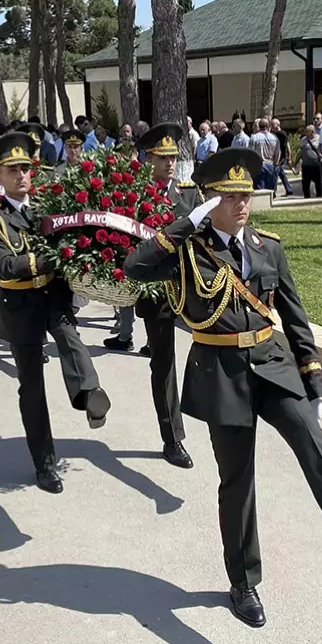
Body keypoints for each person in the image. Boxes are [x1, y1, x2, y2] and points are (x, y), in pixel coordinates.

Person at [124, 147, 322, 628]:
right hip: (221, 373)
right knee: (238, 482)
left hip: (271, 363)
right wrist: (187, 223)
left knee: (313, 440)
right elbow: (136, 267)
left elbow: (293, 313)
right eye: (229, 196)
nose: (241, 203)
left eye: (246, 194)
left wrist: (311, 371)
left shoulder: (267, 246)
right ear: (209, 199)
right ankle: (243, 582)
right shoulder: (187, 248)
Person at [0, 132, 111, 493]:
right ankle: (45, 464)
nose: (22, 175)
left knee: (71, 340)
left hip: (52, 295)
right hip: (20, 306)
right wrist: (48, 258)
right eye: (13, 170)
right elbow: (4, 266)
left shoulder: (47, 208)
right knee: (32, 387)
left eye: (26, 168)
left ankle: (89, 395)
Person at [104, 123, 199, 469]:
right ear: (148, 159)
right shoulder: (137, 196)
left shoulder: (189, 193)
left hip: (193, 290)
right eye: (163, 157)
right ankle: (172, 437)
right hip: (156, 293)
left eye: (173, 156)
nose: (170, 163)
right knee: (164, 364)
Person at [249, 119, 280, 191]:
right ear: (268, 126)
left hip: (258, 165)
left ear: (259, 126)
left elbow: (251, 153)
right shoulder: (275, 138)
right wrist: (275, 164)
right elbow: (277, 153)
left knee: (260, 189)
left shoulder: (254, 137)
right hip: (270, 164)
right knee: (270, 189)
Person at [270, 118, 295, 197]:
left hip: (281, 157)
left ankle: (273, 192)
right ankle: (289, 190)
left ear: (277, 125)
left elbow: (287, 146)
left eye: (272, 125)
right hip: (278, 156)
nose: (271, 126)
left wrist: (289, 157)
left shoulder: (282, 134)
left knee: (275, 175)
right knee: (282, 174)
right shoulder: (275, 133)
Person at [295, 125, 321, 198]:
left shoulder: (319, 139)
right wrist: (295, 163)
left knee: (318, 183)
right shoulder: (303, 140)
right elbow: (300, 153)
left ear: (312, 132)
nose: (305, 133)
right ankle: (306, 197)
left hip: (316, 166)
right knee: (305, 183)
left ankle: (319, 197)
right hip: (306, 166)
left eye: (307, 131)